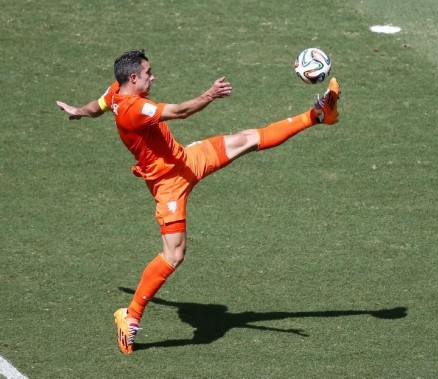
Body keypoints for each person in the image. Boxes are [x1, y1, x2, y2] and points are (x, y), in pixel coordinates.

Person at [56, 49, 340, 354]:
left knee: (247, 138)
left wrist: (78, 111)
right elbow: (179, 112)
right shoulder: (132, 108)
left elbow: (97, 106)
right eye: (148, 73)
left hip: (186, 160)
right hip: (168, 185)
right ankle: (131, 316)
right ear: (133, 77)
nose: (153, 77)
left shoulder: (115, 91)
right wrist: (210, 94)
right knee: (174, 255)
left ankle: (319, 115)